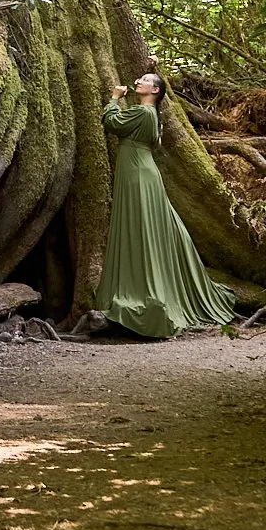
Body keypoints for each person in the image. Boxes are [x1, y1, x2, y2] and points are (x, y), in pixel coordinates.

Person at [97, 72, 237, 337]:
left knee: (141, 228)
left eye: (146, 79)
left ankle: (148, 291)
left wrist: (114, 99)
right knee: (142, 226)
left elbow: (112, 122)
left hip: (138, 175)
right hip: (137, 171)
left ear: (156, 90)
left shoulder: (145, 113)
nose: (139, 80)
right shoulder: (146, 113)